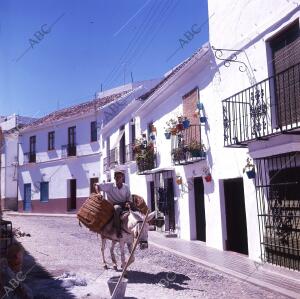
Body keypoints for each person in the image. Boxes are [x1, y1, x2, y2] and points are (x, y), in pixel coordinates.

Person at [94, 170, 132, 238]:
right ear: (114, 178)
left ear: (122, 178)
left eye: (119, 177)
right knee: (117, 209)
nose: (118, 179)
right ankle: (118, 231)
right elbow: (96, 185)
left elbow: (129, 197)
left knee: (136, 210)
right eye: (116, 177)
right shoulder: (110, 185)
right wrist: (98, 193)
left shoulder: (126, 187)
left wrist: (128, 202)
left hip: (124, 204)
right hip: (114, 204)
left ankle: (137, 231)